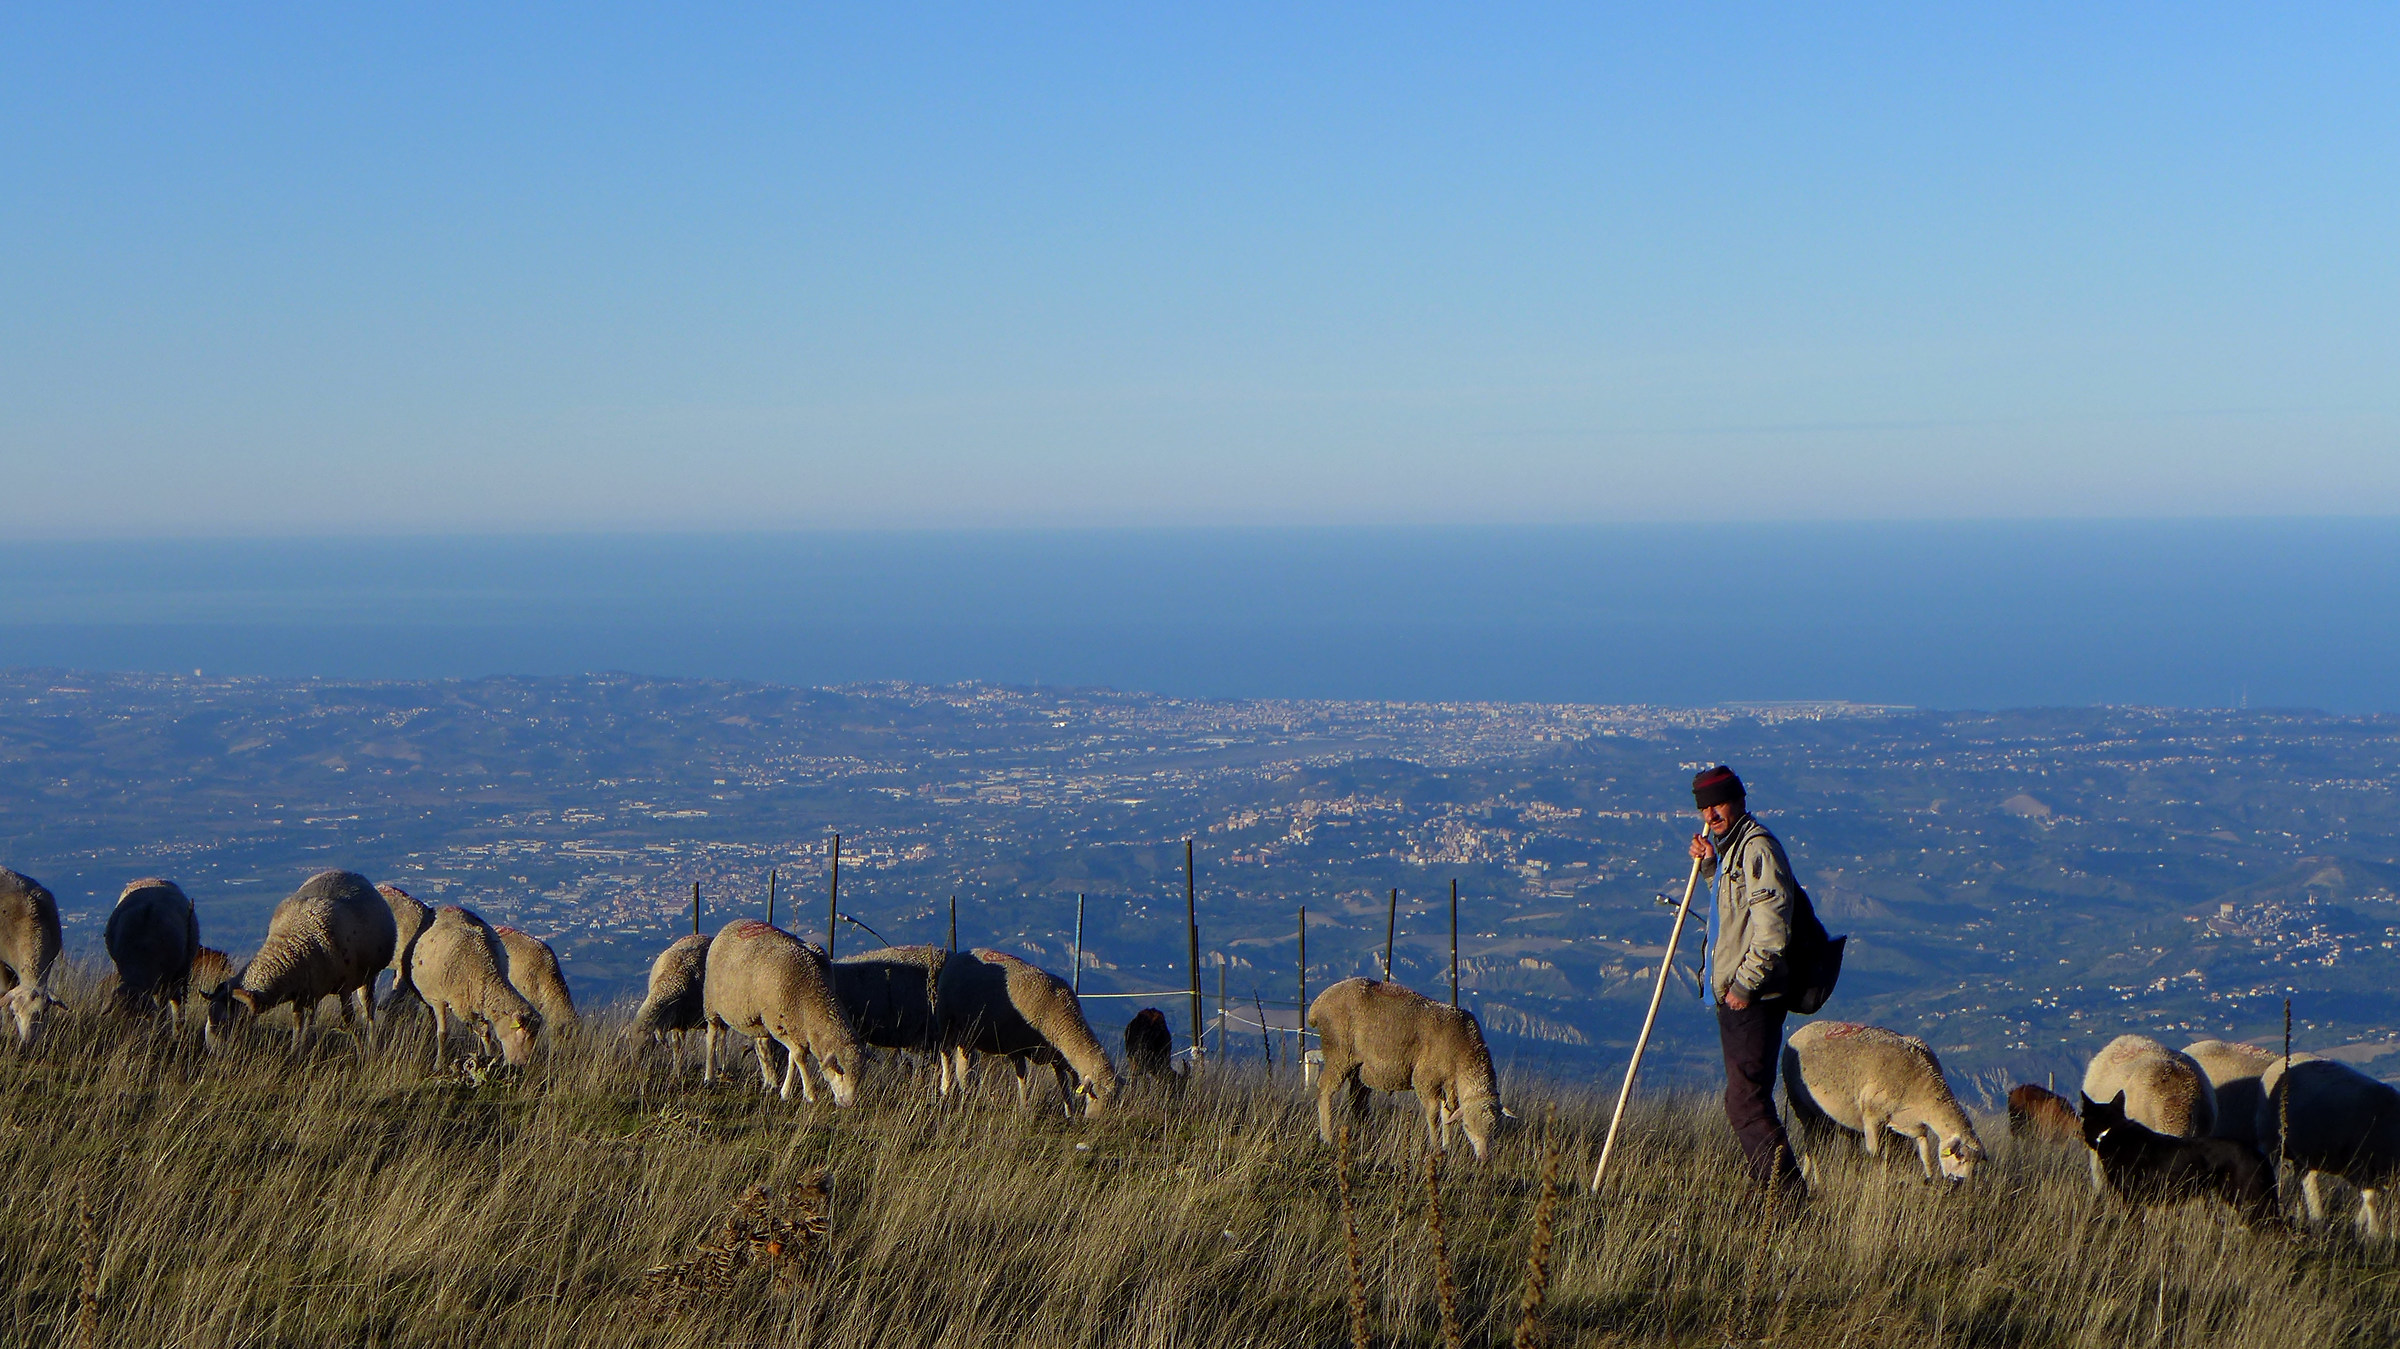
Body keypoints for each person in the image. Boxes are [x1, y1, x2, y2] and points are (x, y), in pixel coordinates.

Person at [1687, 764, 1808, 1199]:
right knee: (1745, 1098)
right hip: (1737, 996)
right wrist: (1709, 868)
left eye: (1718, 803)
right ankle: (1775, 1191)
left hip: (1754, 998)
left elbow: (1773, 932)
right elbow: (1733, 912)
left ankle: (1787, 1198)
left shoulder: (1757, 848)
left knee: (1746, 1101)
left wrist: (1743, 987)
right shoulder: (1732, 848)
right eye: (1704, 807)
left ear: (1738, 800)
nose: (1711, 814)